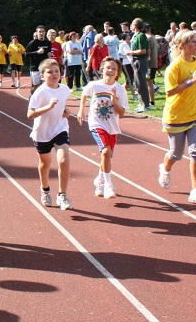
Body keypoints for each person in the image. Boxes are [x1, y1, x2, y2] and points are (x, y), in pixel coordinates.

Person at [158, 30, 196, 204]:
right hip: (176, 115)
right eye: (192, 42)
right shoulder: (175, 66)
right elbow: (170, 91)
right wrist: (190, 82)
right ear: (181, 46)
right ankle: (165, 168)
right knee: (176, 154)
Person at [76, 57, 127, 199]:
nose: (110, 70)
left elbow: (122, 113)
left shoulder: (120, 89)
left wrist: (114, 100)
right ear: (101, 69)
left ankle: (99, 180)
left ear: (117, 73)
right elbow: (84, 95)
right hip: (96, 123)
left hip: (112, 126)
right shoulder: (94, 85)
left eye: (114, 69)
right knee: (105, 152)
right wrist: (81, 110)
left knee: (107, 156)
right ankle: (108, 185)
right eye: (108, 67)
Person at [27, 59, 73, 210]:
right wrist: (48, 106)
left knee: (64, 159)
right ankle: (45, 189)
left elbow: (63, 107)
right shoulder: (40, 92)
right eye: (49, 72)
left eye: (56, 71)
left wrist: (65, 112)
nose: (54, 74)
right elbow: (30, 114)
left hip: (59, 128)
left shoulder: (65, 89)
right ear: (41, 75)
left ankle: (62, 195)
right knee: (45, 164)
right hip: (42, 132)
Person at [126, 17, 152, 112]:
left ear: (136, 26)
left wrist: (131, 52)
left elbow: (143, 50)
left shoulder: (141, 36)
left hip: (140, 61)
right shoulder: (135, 35)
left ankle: (145, 104)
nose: (130, 26)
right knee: (137, 83)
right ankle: (141, 103)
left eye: (132, 24)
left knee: (141, 83)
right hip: (136, 61)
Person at [25, 25, 52, 90]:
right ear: (37, 33)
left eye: (43, 32)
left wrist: (49, 54)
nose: (41, 33)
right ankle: (33, 98)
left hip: (45, 68)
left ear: (45, 32)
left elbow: (49, 52)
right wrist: (36, 52)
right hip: (35, 69)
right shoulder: (32, 43)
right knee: (36, 88)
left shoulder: (47, 42)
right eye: (40, 32)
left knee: (46, 86)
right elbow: (26, 54)